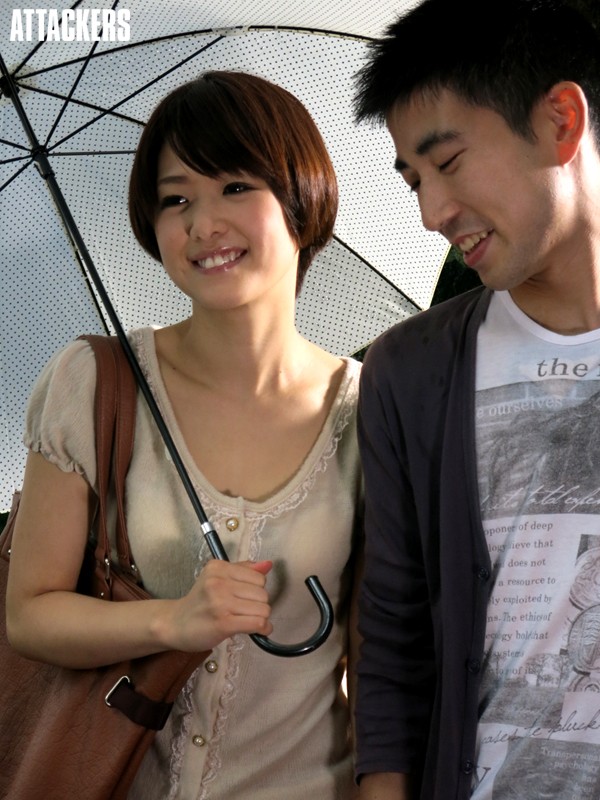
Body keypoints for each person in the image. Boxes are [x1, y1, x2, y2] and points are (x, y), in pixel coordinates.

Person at [6, 71, 362, 799]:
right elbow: (29, 615)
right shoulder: (94, 382)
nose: (202, 225)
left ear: (302, 199)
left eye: (234, 187)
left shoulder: (370, 409)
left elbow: (385, 656)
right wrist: (172, 620)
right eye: (176, 199)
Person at [351, 1, 600, 798]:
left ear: (560, 122)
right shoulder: (409, 371)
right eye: (414, 182)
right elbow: (393, 638)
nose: (431, 214)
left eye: (449, 163)